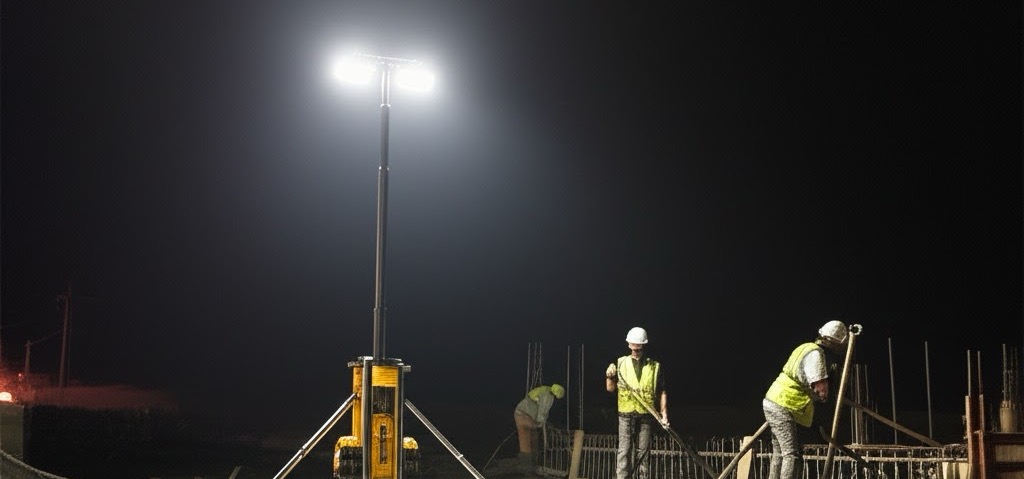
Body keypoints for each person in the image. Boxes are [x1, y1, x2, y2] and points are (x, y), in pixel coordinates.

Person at [762, 320, 849, 479]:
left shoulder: (805, 347)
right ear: (836, 344)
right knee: (791, 454)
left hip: (774, 399)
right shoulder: (816, 354)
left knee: (779, 453)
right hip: (784, 403)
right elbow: (819, 384)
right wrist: (825, 395)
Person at [605, 326, 667, 479]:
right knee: (624, 451)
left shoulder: (655, 366)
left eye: (638, 348)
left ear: (643, 346)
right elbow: (610, 389)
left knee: (643, 453)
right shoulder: (620, 363)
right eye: (633, 348)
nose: (635, 351)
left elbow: (662, 391)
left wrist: (664, 415)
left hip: (646, 414)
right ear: (628, 345)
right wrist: (609, 377)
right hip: (625, 414)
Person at [513, 383, 565, 467]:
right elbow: (543, 412)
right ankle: (529, 466)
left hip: (520, 413)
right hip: (526, 415)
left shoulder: (544, 389)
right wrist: (541, 424)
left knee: (528, 439)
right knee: (530, 440)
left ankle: (528, 465)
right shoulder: (548, 395)